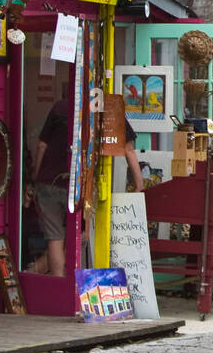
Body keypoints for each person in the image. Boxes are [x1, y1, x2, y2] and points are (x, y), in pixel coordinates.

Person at [29, 100, 144, 276]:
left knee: (55, 238)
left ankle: (57, 283)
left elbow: (42, 145)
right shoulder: (108, 108)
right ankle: (69, 285)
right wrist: (139, 185)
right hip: (79, 184)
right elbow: (128, 149)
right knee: (80, 235)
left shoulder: (60, 107)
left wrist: (36, 175)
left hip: (49, 181)